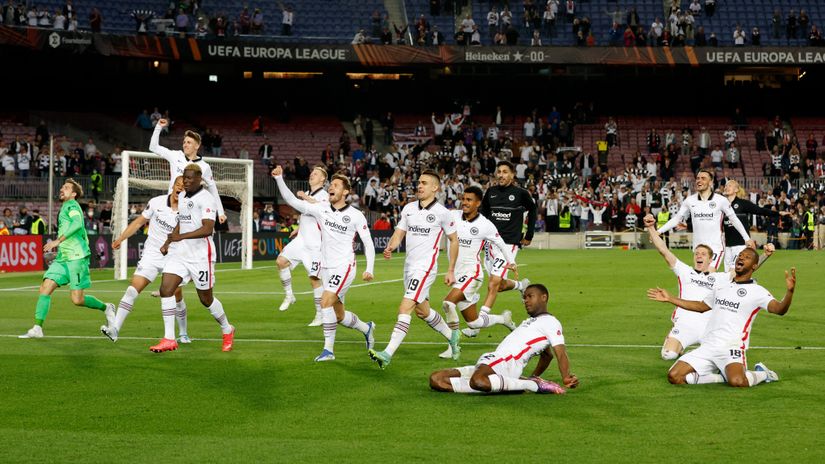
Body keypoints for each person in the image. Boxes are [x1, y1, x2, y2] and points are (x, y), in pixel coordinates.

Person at [271, 165, 376, 362]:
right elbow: (293, 201)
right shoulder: (321, 209)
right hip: (326, 266)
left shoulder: (355, 215)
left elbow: (368, 243)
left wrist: (369, 269)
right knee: (339, 315)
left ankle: (328, 351)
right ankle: (366, 328)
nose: (331, 187)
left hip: (344, 266)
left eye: (336, 185)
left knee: (325, 301)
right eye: (331, 185)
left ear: (345, 191)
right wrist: (279, 179)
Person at [647, 249, 795, 387]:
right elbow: (700, 306)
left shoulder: (757, 291)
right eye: (740, 256)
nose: (741, 258)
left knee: (738, 382)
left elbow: (779, 309)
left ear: (755, 266)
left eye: (747, 257)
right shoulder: (721, 286)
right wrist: (670, 299)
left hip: (731, 347)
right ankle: (721, 376)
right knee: (674, 376)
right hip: (708, 346)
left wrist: (789, 292)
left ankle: (763, 373)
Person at [643, 213, 774, 360]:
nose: (699, 256)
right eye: (697, 253)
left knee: (715, 359)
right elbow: (663, 250)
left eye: (703, 254)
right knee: (668, 355)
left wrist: (765, 255)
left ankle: (693, 356)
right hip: (685, 325)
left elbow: (748, 269)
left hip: (710, 329)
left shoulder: (721, 278)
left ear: (711, 259)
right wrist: (651, 228)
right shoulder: (685, 272)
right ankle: (678, 347)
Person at [368, 170, 460, 369]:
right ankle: (451, 336)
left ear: (435, 188)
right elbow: (399, 232)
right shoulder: (409, 208)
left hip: (425, 268)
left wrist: (451, 269)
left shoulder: (443, 213)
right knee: (422, 311)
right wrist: (391, 246)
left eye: (424, 183)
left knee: (405, 307)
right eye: (419, 182)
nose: (419, 186)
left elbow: (453, 240)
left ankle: (388, 353)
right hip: (409, 268)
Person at [429, 284, 578, 394]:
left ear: (544, 297)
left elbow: (560, 352)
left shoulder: (551, 322)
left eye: (530, 296)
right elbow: (547, 355)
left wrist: (565, 377)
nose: (525, 300)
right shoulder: (531, 322)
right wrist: (535, 375)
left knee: (478, 381)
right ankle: (511, 384)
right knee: (437, 379)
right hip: (495, 362)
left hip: (507, 362)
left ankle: (532, 385)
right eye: (524, 297)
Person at [152, 165, 235, 353]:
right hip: (180, 254)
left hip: (201, 256)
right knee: (166, 289)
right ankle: (169, 338)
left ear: (199, 179)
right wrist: (168, 242)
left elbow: (207, 228)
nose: (186, 181)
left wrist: (181, 237)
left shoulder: (207, 199)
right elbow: (181, 222)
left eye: (190, 178)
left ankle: (227, 329)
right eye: (185, 178)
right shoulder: (182, 196)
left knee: (206, 300)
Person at [19, 179, 115, 339]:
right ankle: (37, 327)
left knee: (77, 300)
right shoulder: (65, 206)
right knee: (45, 288)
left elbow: (77, 223)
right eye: (63, 187)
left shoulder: (72, 205)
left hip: (76, 257)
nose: (62, 189)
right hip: (63, 257)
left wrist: (58, 241)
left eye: (67, 188)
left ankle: (106, 307)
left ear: (74, 194)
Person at [101, 177, 189, 343]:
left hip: (174, 256)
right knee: (132, 290)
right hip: (152, 254)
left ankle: (183, 332)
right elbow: (138, 223)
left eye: (184, 187)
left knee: (176, 296)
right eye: (178, 185)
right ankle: (115, 330)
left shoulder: (187, 210)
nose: (180, 189)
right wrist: (121, 238)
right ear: (173, 187)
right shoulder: (156, 202)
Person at [438, 186, 517, 360]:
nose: (464, 203)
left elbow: (501, 243)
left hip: (472, 273)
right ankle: (503, 319)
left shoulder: (485, 225)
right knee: (474, 322)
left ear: (478, 203)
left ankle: (453, 346)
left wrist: (511, 262)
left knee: (448, 304)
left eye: (469, 200)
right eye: (463, 199)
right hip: (457, 275)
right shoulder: (452, 216)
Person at [463, 161, 535, 338]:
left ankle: (478, 324)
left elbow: (533, 209)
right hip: (489, 245)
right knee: (500, 285)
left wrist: (529, 235)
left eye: (505, 172)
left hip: (509, 244)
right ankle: (520, 285)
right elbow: (484, 216)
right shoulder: (491, 193)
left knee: (493, 283)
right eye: (499, 172)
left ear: (512, 175)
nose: (501, 175)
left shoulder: (521, 194)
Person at [656, 169, 754, 270]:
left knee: (708, 274)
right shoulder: (689, 201)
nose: (699, 181)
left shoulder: (721, 200)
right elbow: (677, 219)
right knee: (700, 278)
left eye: (703, 178)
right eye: (698, 178)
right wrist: (658, 231)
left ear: (711, 182)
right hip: (698, 248)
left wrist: (747, 238)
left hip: (715, 246)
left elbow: (734, 220)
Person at [276, 165, 329, 328]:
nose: (312, 174)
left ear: (323, 179)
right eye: (312, 172)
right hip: (301, 240)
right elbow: (308, 215)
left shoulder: (324, 195)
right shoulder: (308, 194)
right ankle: (289, 295)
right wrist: (299, 228)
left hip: (315, 245)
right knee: (280, 261)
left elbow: (321, 209)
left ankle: (319, 315)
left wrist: (304, 198)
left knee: (314, 280)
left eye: (317, 173)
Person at [150, 118, 226, 224]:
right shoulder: (175, 155)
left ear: (197, 146)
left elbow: (213, 189)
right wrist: (158, 127)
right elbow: (153, 147)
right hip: (171, 208)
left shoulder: (204, 167)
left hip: (190, 213)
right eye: (184, 142)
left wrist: (220, 212)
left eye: (189, 142)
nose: (185, 144)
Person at [721, 180, 788, 272]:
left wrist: (778, 213)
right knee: (727, 275)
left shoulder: (742, 203)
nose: (726, 187)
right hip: (728, 246)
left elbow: (760, 210)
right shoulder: (722, 205)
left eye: (730, 185)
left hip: (741, 245)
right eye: (726, 186)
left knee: (734, 273)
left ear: (736, 189)